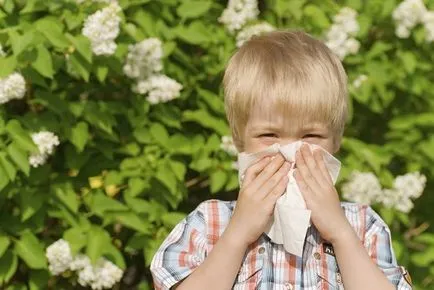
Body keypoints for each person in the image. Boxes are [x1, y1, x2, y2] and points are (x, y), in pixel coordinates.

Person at [150, 30, 412, 290]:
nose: (290, 152)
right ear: (239, 139)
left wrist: (341, 235)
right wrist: (238, 234)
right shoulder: (209, 223)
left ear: (336, 139)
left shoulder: (363, 226)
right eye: (269, 135)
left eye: (310, 135)